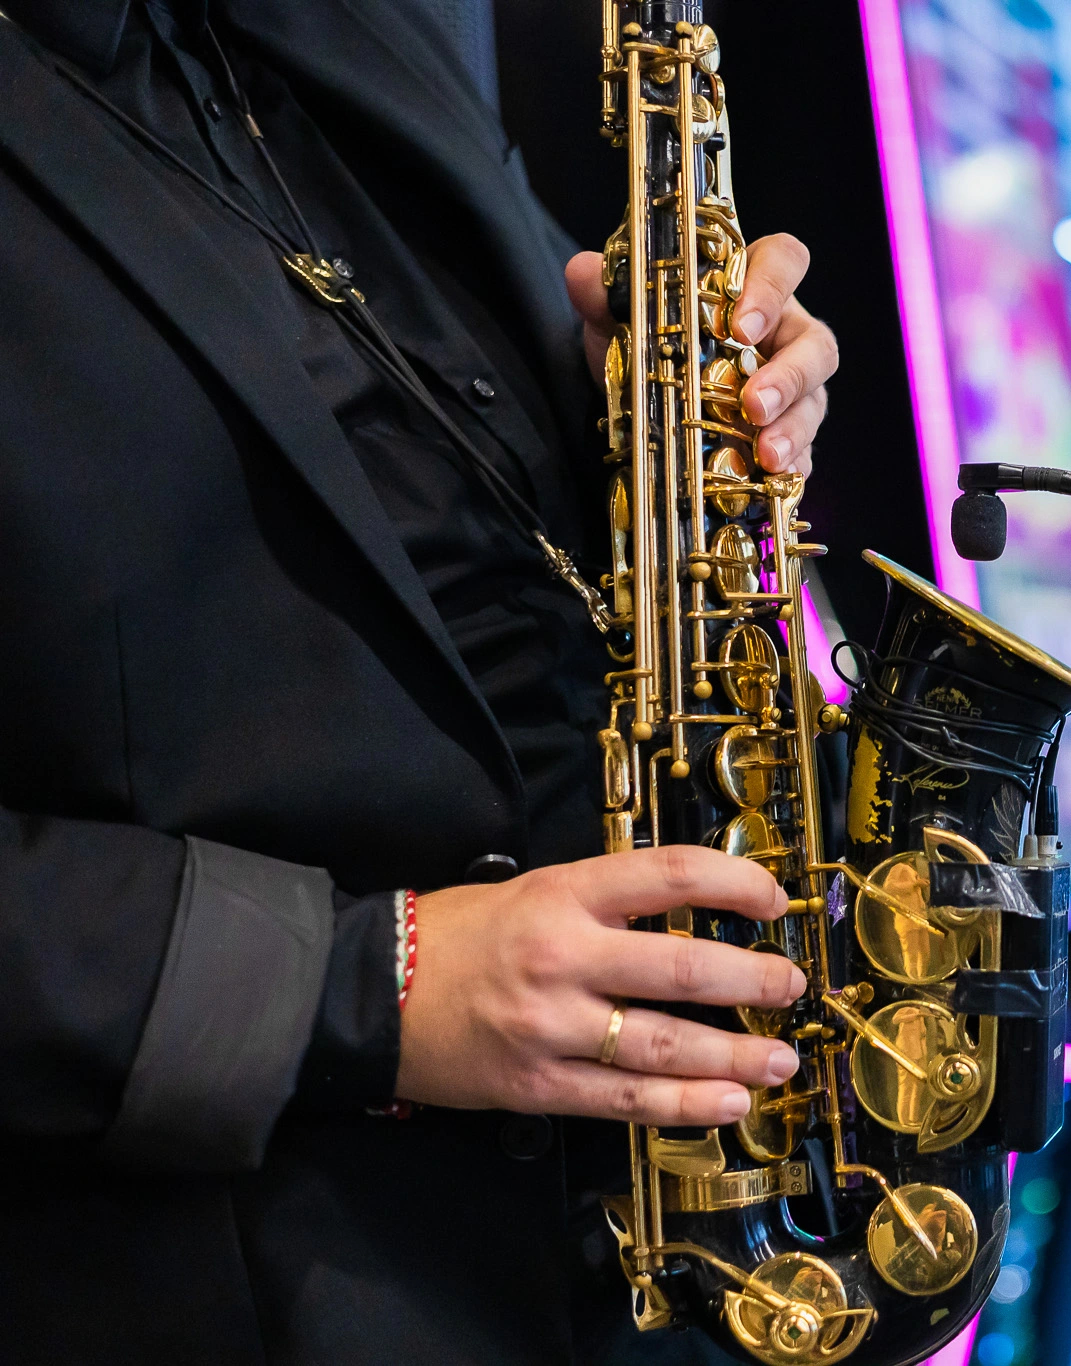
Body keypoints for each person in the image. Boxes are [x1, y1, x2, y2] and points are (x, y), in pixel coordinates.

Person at [0, 2, 839, 1361]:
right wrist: (365, 991)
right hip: (257, 1268)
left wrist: (689, 381)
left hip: (654, 1221)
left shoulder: (377, 25)